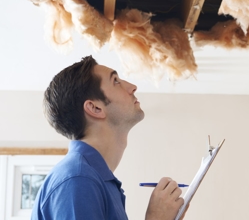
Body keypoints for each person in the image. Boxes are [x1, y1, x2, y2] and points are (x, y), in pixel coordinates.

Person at [31, 56, 185, 220]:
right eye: (116, 81)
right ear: (95, 108)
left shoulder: (93, 180)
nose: (132, 87)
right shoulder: (79, 180)